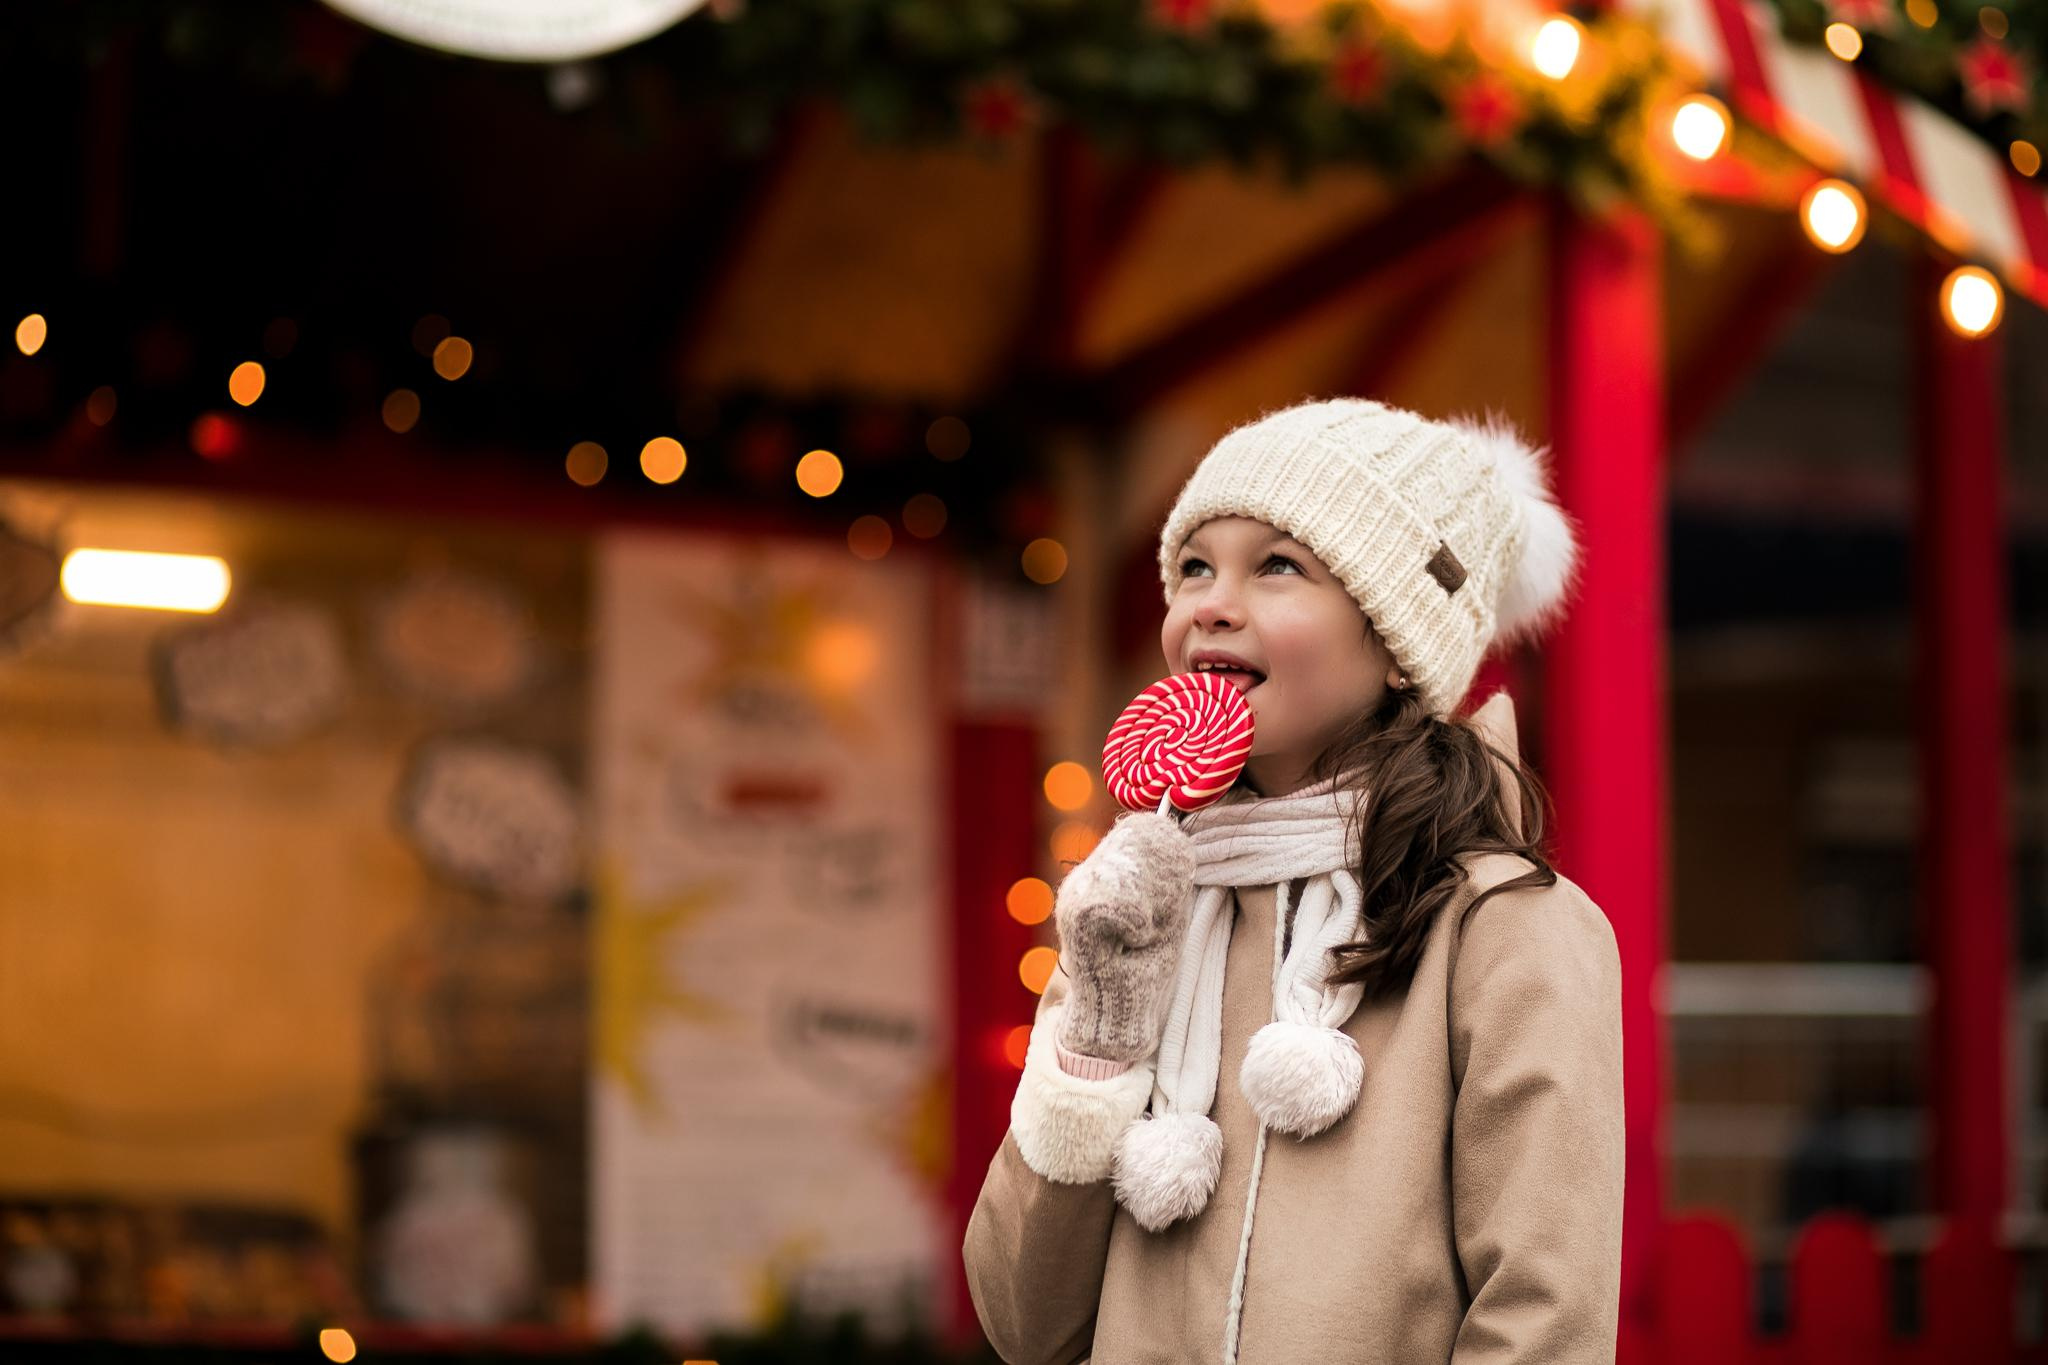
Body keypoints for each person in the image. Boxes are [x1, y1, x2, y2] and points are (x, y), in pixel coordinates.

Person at [961, 397, 1626, 1364]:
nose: (1210, 604)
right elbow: (1027, 1327)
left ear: (1399, 642)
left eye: (1278, 565)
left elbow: (1544, 1318)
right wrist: (1099, 1042)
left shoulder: (1505, 927)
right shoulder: (1138, 917)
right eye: (1193, 565)